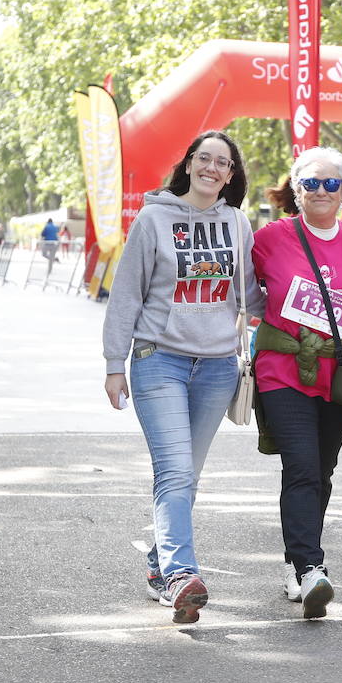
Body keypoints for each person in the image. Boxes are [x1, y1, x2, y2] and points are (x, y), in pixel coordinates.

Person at [102, 130, 264, 625]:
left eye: (224, 163)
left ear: (232, 175)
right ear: (189, 164)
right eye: (205, 159)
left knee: (186, 477)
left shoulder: (238, 224)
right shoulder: (153, 218)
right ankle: (180, 576)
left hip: (217, 368)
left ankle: (157, 564)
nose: (213, 168)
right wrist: (114, 364)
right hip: (159, 360)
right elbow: (126, 294)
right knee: (174, 472)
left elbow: (252, 296)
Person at [252, 146, 342, 619]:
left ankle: (295, 563)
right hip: (281, 372)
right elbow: (235, 287)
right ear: (296, 190)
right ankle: (310, 568)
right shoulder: (269, 239)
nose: (321, 192)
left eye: (331, 184)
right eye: (311, 183)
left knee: (321, 472)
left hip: (339, 375)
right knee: (301, 467)